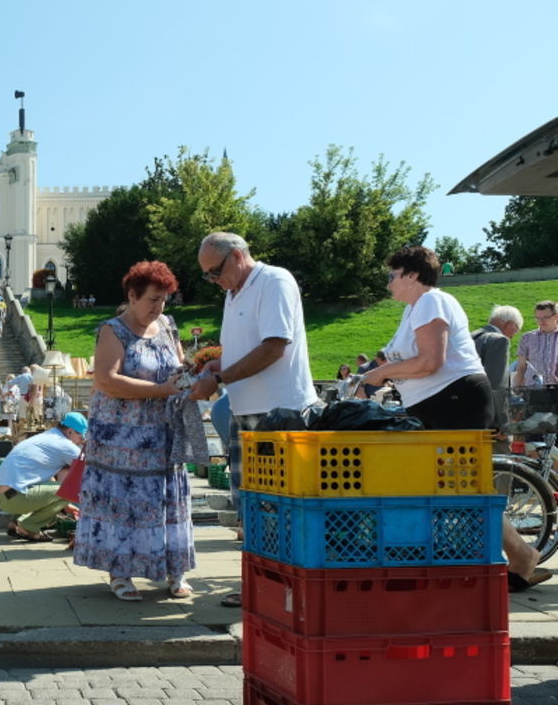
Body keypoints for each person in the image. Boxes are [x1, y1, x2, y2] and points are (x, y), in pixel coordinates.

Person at [359, 247, 545, 589]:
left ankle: (520, 555)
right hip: (438, 402)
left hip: (454, 400)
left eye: (392, 276)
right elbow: (402, 360)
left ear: (413, 275)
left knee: (464, 488)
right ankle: (505, 555)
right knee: (452, 486)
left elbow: (431, 362)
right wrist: (375, 375)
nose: (388, 285)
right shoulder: (415, 309)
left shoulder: (431, 301)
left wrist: (384, 373)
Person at [74, 261, 203, 602]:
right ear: (132, 296)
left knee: (167, 501)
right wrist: (162, 390)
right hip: (120, 438)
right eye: (152, 300)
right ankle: (120, 572)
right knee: (125, 504)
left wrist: (192, 373)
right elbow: (107, 380)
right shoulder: (112, 330)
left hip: (162, 435)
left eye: (163, 300)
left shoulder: (167, 327)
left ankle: (175, 572)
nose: (158, 308)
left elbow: (177, 366)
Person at [190, 233, 319, 508]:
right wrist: (219, 364)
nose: (213, 280)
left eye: (215, 271)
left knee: (281, 509)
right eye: (207, 275)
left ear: (237, 256)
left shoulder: (274, 281)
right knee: (249, 511)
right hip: (244, 413)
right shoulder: (232, 293)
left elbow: (274, 347)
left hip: (279, 414)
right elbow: (249, 349)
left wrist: (219, 378)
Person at [0, 412, 87, 541]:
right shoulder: (65, 445)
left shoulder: (44, 437)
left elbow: (46, 480)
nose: (81, 442)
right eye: (81, 437)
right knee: (73, 490)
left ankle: (15, 523)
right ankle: (30, 527)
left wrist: (64, 505)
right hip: (15, 498)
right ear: (70, 432)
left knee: (48, 488)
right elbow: (91, 469)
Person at [512, 301, 558, 388]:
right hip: (534, 389)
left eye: (546, 317)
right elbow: (521, 367)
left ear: (556, 317)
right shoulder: (527, 338)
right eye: (538, 318)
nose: (541, 321)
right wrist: (515, 389)